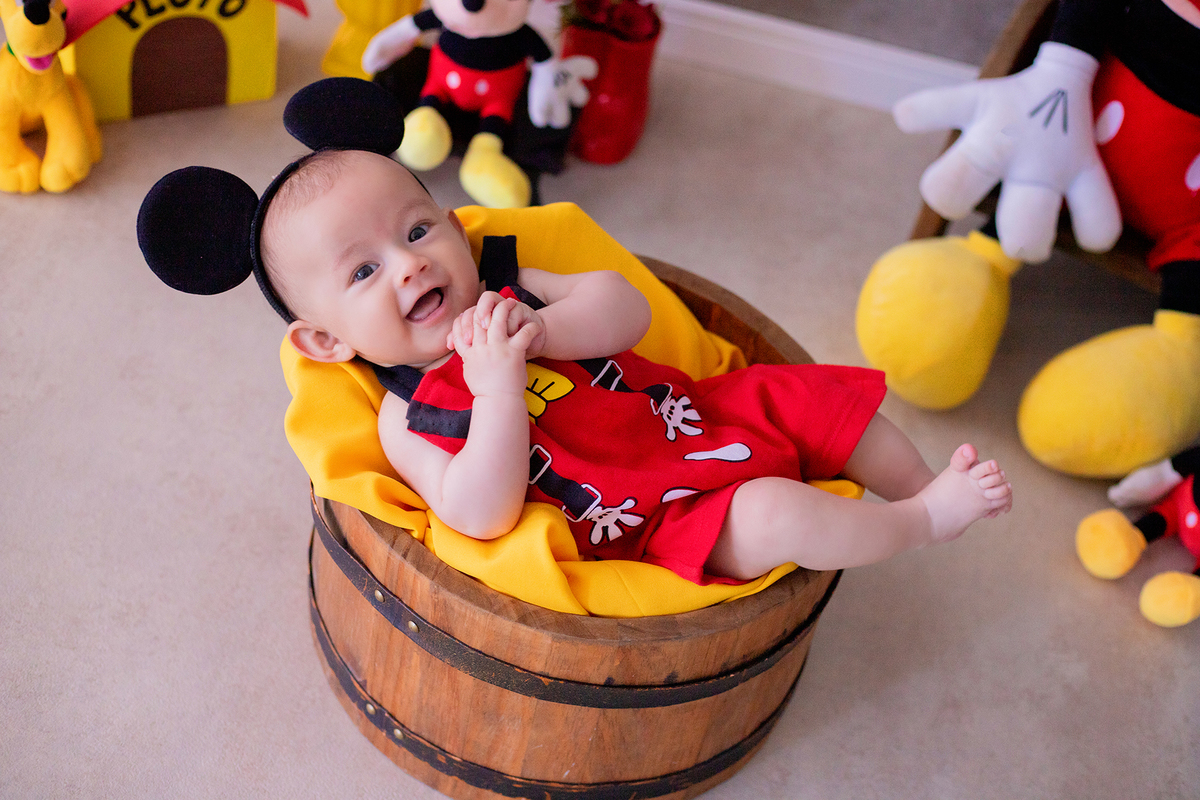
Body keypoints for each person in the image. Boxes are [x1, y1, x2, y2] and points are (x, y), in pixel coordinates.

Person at [260, 147, 1012, 584]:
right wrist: (494, 392)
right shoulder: (410, 410)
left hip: (698, 415)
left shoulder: (511, 288)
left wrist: (546, 329)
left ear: (458, 228)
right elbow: (479, 513)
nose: (407, 266)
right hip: (656, 519)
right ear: (326, 342)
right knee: (778, 514)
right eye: (362, 273)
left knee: (815, 399)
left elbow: (628, 310)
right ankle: (921, 522)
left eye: (418, 229)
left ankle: (919, 483)